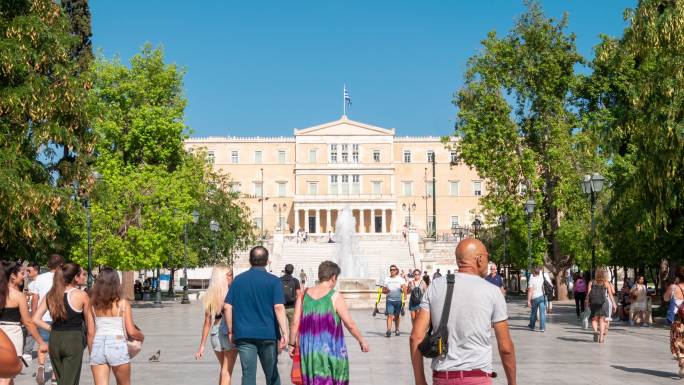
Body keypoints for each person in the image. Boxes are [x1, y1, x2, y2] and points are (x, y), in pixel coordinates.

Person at [410, 238, 516, 385]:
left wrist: (420, 381)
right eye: (487, 257)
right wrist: (512, 382)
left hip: (442, 378)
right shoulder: (492, 292)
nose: (488, 261)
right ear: (479, 259)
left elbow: (415, 337)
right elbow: (505, 348)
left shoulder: (435, 287)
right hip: (477, 377)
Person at [288, 261, 369, 384]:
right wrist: (361, 340)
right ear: (333, 277)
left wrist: (292, 344)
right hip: (330, 350)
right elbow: (350, 324)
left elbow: (294, 322)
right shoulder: (335, 296)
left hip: (308, 350)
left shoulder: (303, 295)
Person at [224, 246, 288, 385]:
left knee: (248, 374)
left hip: (244, 335)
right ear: (267, 261)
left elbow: (227, 306)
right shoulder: (274, 281)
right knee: (272, 374)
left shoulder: (238, 281)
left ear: (250, 260)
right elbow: (278, 307)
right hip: (268, 334)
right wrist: (285, 332)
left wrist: (230, 330)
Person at [33, 263, 94, 385]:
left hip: (55, 340)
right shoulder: (81, 295)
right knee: (70, 381)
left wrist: (52, 329)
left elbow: (35, 318)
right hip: (73, 339)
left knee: (62, 380)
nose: (84, 277)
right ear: (75, 277)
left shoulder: (51, 294)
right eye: (82, 274)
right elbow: (90, 328)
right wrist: (93, 352)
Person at [88, 267, 145, 385]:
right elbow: (131, 331)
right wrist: (141, 336)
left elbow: (90, 333)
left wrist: (92, 353)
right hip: (117, 344)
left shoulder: (92, 304)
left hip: (98, 344)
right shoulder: (122, 304)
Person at [0, 261, 48, 385]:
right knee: (7, 374)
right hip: (12, 335)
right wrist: (41, 342)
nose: (25, 276)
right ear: (12, 276)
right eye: (22, 273)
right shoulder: (18, 296)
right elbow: (28, 322)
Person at [195, 266, 236, 385]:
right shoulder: (231, 292)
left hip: (215, 333)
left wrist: (202, 346)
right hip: (228, 332)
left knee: (224, 369)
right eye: (229, 275)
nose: (232, 277)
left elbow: (207, 322)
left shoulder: (211, 295)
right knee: (227, 370)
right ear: (223, 278)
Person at [32, 254, 64, 385]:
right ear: (60, 265)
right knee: (57, 347)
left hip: (41, 317)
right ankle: (54, 376)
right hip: (57, 316)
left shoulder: (39, 278)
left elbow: (35, 298)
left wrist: (33, 314)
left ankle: (41, 365)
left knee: (43, 343)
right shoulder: (62, 278)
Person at [586, 268, 616, 343]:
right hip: (603, 303)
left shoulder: (591, 282)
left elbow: (588, 295)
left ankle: (595, 331)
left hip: (593, 303)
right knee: (602, 320)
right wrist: (614, 304)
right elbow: (611, 295)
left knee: (594, 319)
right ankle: (601, 338)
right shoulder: (606, 282)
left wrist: (587, 304)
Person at [383, 265, 406, 337]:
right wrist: (386, 291)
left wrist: (405, 295)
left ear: (396, 270)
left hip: (398, 300)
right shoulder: (387, 279)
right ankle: (388, 330)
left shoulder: (400, 279)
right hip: (390, 300)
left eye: (394, 270)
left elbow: (404, 287)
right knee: (389, 315)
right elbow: (384, 290)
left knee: (397, 316)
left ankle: (397, 329)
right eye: (391, 270)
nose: (392, 271)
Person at [669, 267, 684, 378]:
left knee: (677, 343)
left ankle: (682, 363)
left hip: (678, 321)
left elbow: (665, 298)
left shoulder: (674, 287)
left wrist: (674, 285)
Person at [527, 267, 546, 332]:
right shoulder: (541, 278)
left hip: (535, 298)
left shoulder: (532, 280)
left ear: (534, 273)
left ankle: (532, 326)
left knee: (533, 313)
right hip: (541, 297)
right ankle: (542, 328)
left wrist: (528, 301)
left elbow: (530, 291)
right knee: (542, 313)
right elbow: (540, 271)